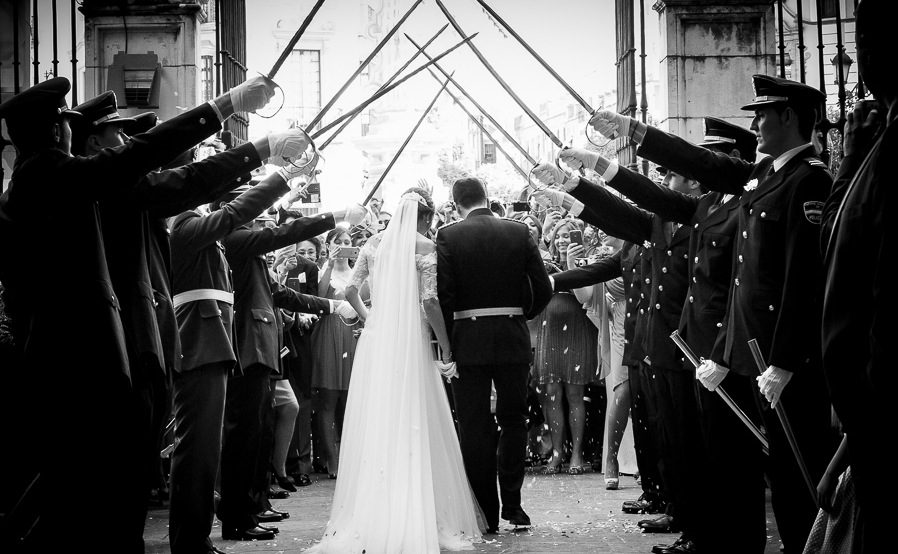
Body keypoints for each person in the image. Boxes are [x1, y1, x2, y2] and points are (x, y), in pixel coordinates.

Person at [0, 74, 277, 553]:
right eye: (116, 133)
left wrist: (250, 153)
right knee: (89, 499)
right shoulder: (47, 175)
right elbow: (151, 163)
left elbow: (176, 178)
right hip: (76, 367)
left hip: (113, 356)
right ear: (58, 132)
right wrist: (229, 109)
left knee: (111, 495)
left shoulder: (69, 179)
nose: (125, 141)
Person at [588, 73, 840, 553]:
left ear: (790, 116)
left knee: (795, 480)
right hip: (745, 356)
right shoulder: (764, 177)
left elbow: (801, 280)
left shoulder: (809, 180)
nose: (758, 122)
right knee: (737, 469)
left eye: (764, 113)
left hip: (782, 363)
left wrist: (784, 360)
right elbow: (737, 285)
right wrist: (630, 138)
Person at [560, 116, 768, 554]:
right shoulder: (706, 207)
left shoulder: (742, 203)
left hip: (715, 350)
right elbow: (632, 212)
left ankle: (729, 538)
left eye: (710, 160)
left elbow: (745, 287)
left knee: (726, 457)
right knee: (695, 449)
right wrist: (581, 182)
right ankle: (704, 531)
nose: (682, 175)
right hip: (683, 347)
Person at [533, 161, 704, 547]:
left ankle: (686, 514)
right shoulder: (650, 229)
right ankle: (672, 504)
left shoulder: (694, 219)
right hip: (647, 344)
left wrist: (576, 183)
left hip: (682, 345)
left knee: (681, 437)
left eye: (670, 175)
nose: (664, 181)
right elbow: (605, 259)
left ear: (692, 181)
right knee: (658, 429)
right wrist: (552, 279)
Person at [306, 188, 485, 553]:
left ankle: (376, 506)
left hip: (377, 341)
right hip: (411, 343)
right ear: (425, 217)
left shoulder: (374, 244)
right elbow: (431, 300)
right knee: (415, 419)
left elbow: (352, 290)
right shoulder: (425, 247)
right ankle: (417, 506)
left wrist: (373, 319)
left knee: (381, 420)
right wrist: (445, 346)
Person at [217, 195, 362, 540]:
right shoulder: (237, 237)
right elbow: (280, 236)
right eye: (258, 212)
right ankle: (238, 516)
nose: (264, 219)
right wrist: (337, 214)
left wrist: (331, 304)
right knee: (244, 436)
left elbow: (282, 295)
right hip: (250, 349)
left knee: (259, 433)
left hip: (263, 349)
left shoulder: (246, 240)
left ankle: (249, 508)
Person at [436, 177, 553, 532]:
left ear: (456, 204)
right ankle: (514, 506)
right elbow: (544, 286)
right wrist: (521, 314)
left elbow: (445, 294)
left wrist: (448, 341)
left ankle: (486, 511)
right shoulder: (518, 232)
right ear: (487, 198)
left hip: (467, 339)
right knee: (514, 419)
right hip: (512, 337)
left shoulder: (448, 235)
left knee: (474, 425)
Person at [820, 1, 896, 550]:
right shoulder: (881, 147)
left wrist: (861, 441)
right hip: (867, 432)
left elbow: (888, 326)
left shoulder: (896, 157)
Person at [532, 218, 598, 476]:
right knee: (551, 393)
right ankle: (557, 453)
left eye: (568, 235)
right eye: (558, 235)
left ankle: (578, 452)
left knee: (574, 394)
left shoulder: (584, 263)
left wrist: (571, 265)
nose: (562, 240)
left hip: (577, 328)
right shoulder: (543, 262)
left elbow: (588, 295)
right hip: (550, 330)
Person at [310, 227, 364, 478]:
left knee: (350, 399)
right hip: (329, 334)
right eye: (338, 242)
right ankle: (331, 459)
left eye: (347, 242)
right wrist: (330, 263)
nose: (343, 246)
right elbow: (319, 297)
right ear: (329, 245)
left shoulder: (357, 274)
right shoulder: (323, 271)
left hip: (353, 335)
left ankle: (351, 457)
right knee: (328, 399)